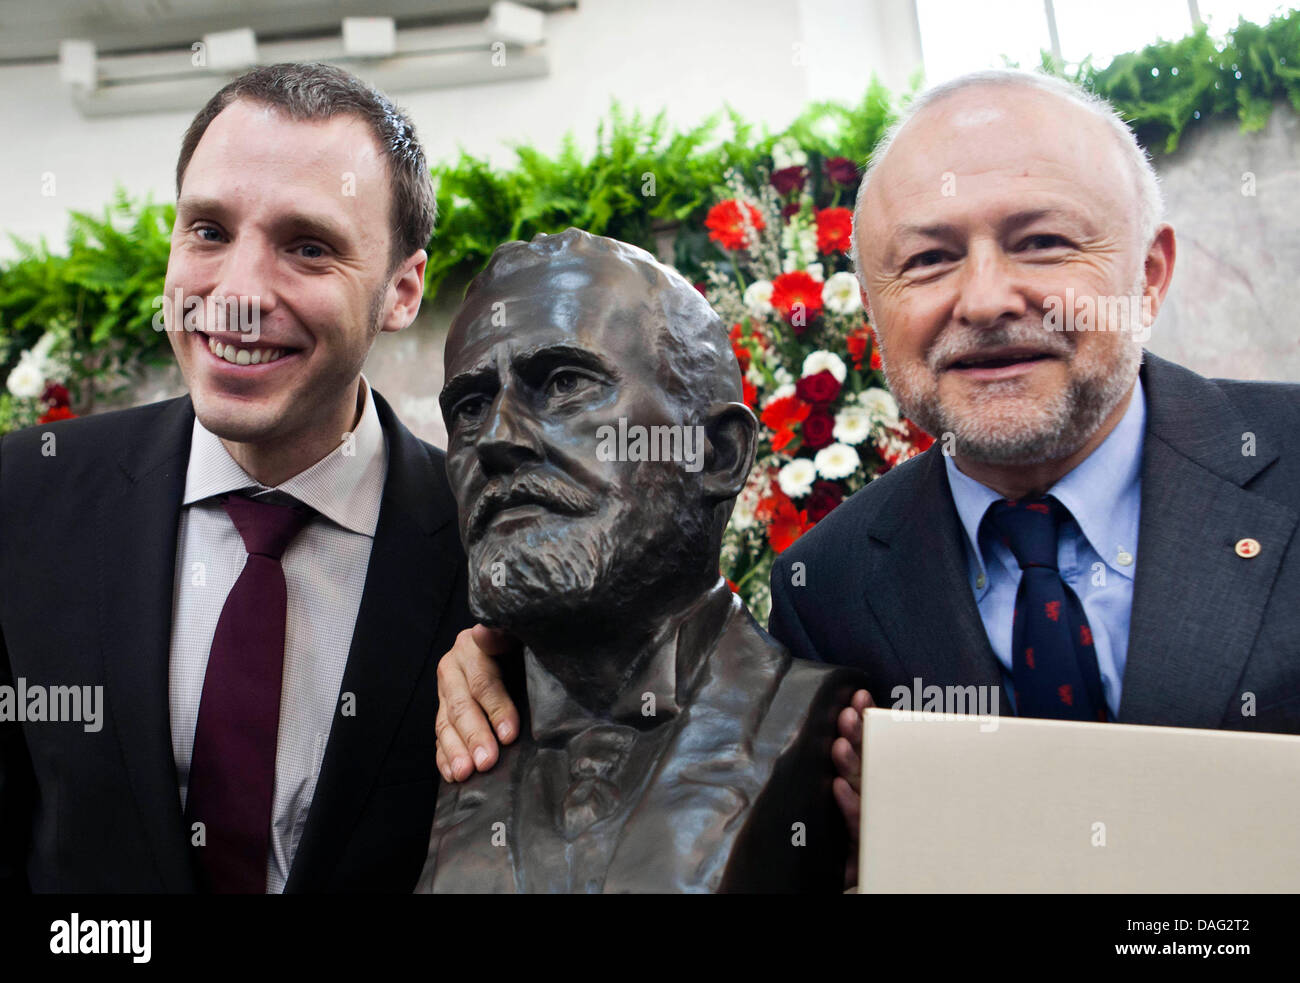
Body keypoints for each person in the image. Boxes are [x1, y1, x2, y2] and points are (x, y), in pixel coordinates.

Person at [429, 70, 1300, 884]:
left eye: (1041, 242)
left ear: (1147, 275)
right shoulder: (831, 589)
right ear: (874, 308)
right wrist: (505, 652)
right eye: (928, 260)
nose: (987, 299)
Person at [0, 62, 475, 892]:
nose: (239, 295)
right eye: (210, 231)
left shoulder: (487, 547)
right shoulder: (23, 502)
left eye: (308, 247)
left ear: (403, 290)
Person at [417, 228, 860, 893]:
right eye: (472, 407)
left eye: (564, 383)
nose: (497, 441)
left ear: (714, 453)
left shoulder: (810, 720)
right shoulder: (453, 728)